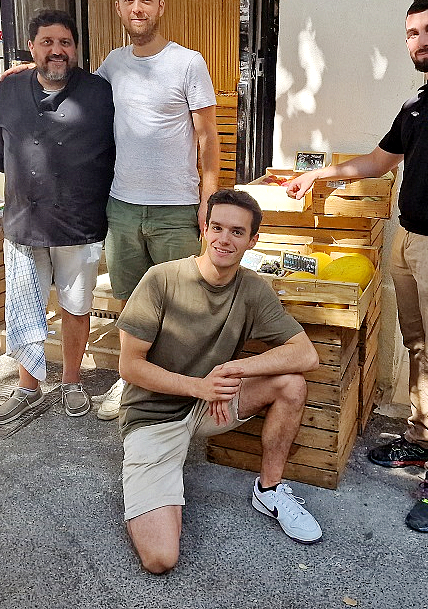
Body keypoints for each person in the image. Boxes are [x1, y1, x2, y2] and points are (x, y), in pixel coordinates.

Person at [285, 0, 428, 533]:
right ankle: (421, 437)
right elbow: (379, 160)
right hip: (408, 241)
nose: (422, 41)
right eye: (413, 33)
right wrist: (318, 175)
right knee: (419, 346)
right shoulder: (415, 105)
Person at [117, 189, 322, 573]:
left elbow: (306, 354)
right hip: (153, 415)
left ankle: (270, 490)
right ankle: (155, 478)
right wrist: (198, 386)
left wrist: (234, 370)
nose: (224, 240)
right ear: (204, 229)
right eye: (217, 228)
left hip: (212, 404)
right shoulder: (161, 279)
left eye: (237, 232)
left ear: (252, 240)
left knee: (291, 383)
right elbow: (130, 366)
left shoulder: (252, 287)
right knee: (161, 558)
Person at [0, 9, 115, 423]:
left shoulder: (100, 92)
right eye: (47, 42)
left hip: (80, 221)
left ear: (75, 49)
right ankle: (28, 387)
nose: (57, 51)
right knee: (24, 305)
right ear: (31, 47)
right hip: (23, 221)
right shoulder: (8, 90)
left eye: (65, 43)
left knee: (76, 305)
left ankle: (71, 380)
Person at [92, 0, 220, 421]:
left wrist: (208, 198)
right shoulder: (112, 64)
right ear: (119, 8)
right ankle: (131, 381)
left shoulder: (188, 62)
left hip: (175, 208)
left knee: (180, 303)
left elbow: (208, 138)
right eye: (129, 0)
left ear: (161, 6)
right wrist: (31, 70)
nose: (137, 8)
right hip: (123, 205)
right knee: (130, 300)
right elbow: (79, 96)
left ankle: (176, 391)